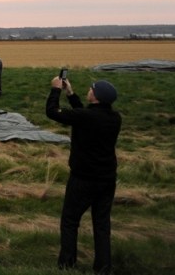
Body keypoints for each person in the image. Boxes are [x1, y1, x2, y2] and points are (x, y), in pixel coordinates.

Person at [47, 75, 121, 273]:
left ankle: (67, 265)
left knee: (70, 221)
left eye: (91, 89)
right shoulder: (114, 118)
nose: (89, 90)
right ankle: (103, 268)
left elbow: (52, 112)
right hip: (107, 180)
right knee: (102, 225)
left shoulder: (86, 117)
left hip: (83, 179)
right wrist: (70, 93)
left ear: (95, 97)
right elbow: (83, 115)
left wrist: (55, 90)